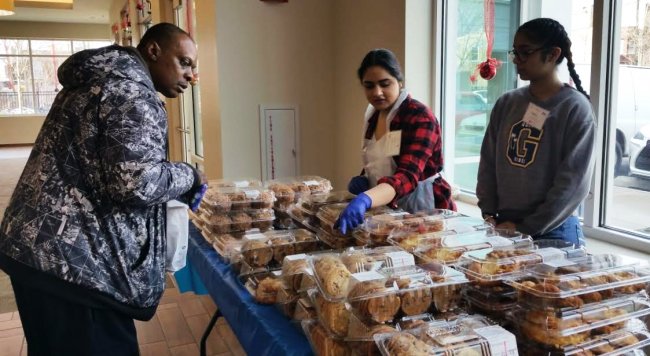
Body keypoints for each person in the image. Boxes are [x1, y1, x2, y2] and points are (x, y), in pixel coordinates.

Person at [0, 23, 206, 355]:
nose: (191, 75)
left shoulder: (95, 81)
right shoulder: (131, 92)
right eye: (185, 62)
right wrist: (189, 175)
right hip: (73, 267)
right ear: (153, 51)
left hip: (37, 248)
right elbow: (135, 182)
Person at [476, 18, 595, 247]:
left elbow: (572, 183)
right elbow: (488, 162)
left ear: (552, 54)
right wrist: (488, 212)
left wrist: (525, 228)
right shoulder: (507, 103)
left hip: (554, 231)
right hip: (504, 226)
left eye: (525, 52)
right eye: (515, 52)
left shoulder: (575, 108)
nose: (516, 60)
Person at [336, 48, 456, 234]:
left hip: (421, 205)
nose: (377, 92)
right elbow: (381, 159)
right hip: (386, 206)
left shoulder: (420, 117)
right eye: (369, 86)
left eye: (385, 84)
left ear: (399, 81)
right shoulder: (374, 115)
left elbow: (407, 176)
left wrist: (366, 199)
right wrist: (365, 178)